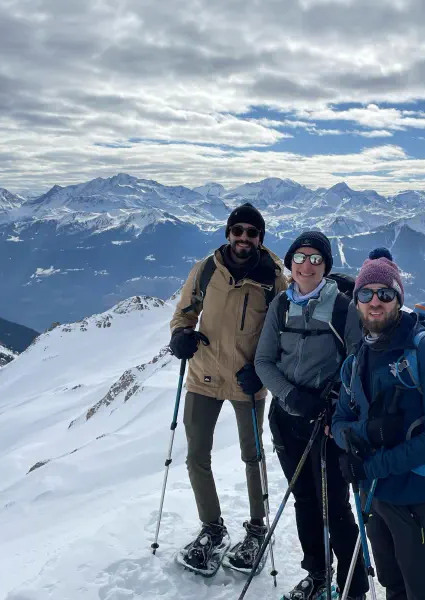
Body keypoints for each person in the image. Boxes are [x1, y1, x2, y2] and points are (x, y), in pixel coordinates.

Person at [168, 203, 287, 576]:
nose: (244, 238)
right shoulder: (206, 269)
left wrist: (264, 371)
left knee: (252, 456)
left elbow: (282, 332)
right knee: (196, 456)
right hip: (203, 375)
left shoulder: (273, 278)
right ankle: (212, 528)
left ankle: (257, 529)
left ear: (260, 238)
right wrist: (180, 335)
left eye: (252, 233)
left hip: (246, 379)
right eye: (238, 231)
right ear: (228, 234)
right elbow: (185, 311)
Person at [331, 248, 425, 600]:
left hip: (417, 497)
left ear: (398, 299)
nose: (375, 302)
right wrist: (361, 435)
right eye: (366, 294)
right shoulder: (358, 357)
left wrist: (371, 465)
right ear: (356, 301)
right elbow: (339, 421)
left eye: (385, 294)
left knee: (422, 592)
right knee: (392, 585)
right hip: (374, 496)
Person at [254, 231, 368, 600]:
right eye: (300, 258)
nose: (307, 265)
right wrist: (290, 396)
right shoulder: (281, 305)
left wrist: (336, 406)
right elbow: (263, 361)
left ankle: (352, 588)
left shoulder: (342, 308)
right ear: (290, 263)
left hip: (327, 425)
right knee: (304, 500)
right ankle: (317, 576)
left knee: (335, 507)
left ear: (325, 265)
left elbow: (357, 365)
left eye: (315, 259)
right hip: (287, 421)